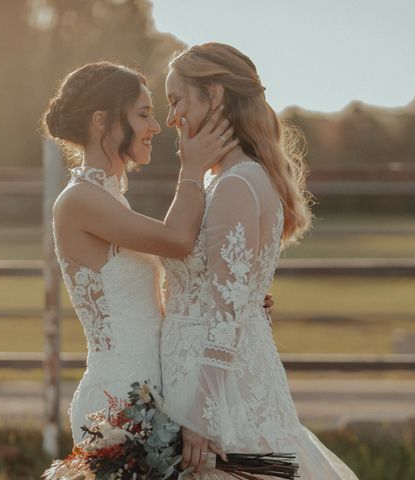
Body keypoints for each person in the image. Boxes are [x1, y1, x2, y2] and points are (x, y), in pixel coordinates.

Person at [160, 43, 359, 479]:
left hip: (216, 393)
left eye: (176, 100)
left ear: (213, 96)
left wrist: (202, 415)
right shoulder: (234, 179)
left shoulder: (234, 185)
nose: (171, 118)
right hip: (213, 373)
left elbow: (226, 312)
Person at [43, 61, 260, 444]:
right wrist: (191, 169)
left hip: (150, 393)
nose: (156, 127)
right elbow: (177, 239)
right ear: (101, 121)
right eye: (144, 114)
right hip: (117, 403)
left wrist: (234, 295)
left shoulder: (108, 198)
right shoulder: (78, 201)